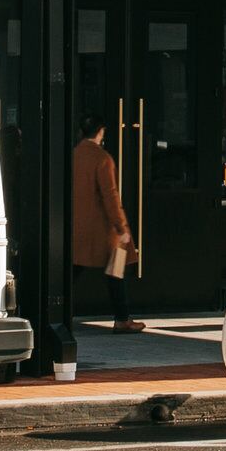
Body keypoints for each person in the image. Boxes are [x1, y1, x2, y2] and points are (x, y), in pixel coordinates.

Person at [71, 123, 136, 334]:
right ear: (100, 132)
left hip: (78, 226)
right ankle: (122, 318)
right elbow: (111, 195)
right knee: (116, 273)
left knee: (74, 269)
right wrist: (121, 226)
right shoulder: (102, 159)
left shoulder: (73, 156)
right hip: (105, 230)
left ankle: (52, 309)